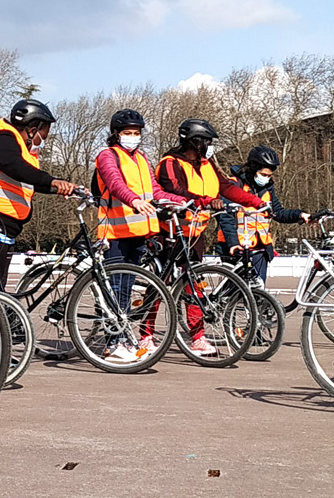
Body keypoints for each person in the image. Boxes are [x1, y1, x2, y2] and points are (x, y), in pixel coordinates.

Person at [155, 118, 264, 357]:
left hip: (195, 234)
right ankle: (145, 335)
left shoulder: (207, 163)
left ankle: (198, 338)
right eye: (207, 141)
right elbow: (176, 190)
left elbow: (225, 187)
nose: (210, 146)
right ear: (195, 142)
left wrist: (257, 202)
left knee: (195, 284)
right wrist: (205, 201)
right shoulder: (170, 163)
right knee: (159, 283)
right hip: (169, 231)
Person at [90, 108, 191, 361]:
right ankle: (113, 344)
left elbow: (155, 191)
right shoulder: (107, 155)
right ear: (116, 134)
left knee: (126, 288)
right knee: (116, 287)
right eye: (128, 133)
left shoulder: (142, 159)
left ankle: (123, 338)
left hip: (137, 232)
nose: (133, 136)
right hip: (114, 231)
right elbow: (115, 183)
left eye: (136, 133)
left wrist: (181, 201)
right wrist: (133, 200)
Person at [0, 98, 82, 290]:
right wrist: (51, 180)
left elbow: (27, 181)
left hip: (2, 226)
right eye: (44, 135)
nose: (43, 141)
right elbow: (15, 168)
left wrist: (63, 187)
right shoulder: (1, 138)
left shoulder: (21, 148)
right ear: (32, 129)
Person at [216, 144, 317, 286]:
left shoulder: (267, 189)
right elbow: (224, 216)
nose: (267, 179)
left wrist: (300, 215)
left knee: (258, 290)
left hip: (260, 248)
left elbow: (278, 213)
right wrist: (232, 243)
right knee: (236, 291)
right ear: (253, 169)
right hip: (236, 248)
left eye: (269, 176)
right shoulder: (234, 185)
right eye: (264, 175)